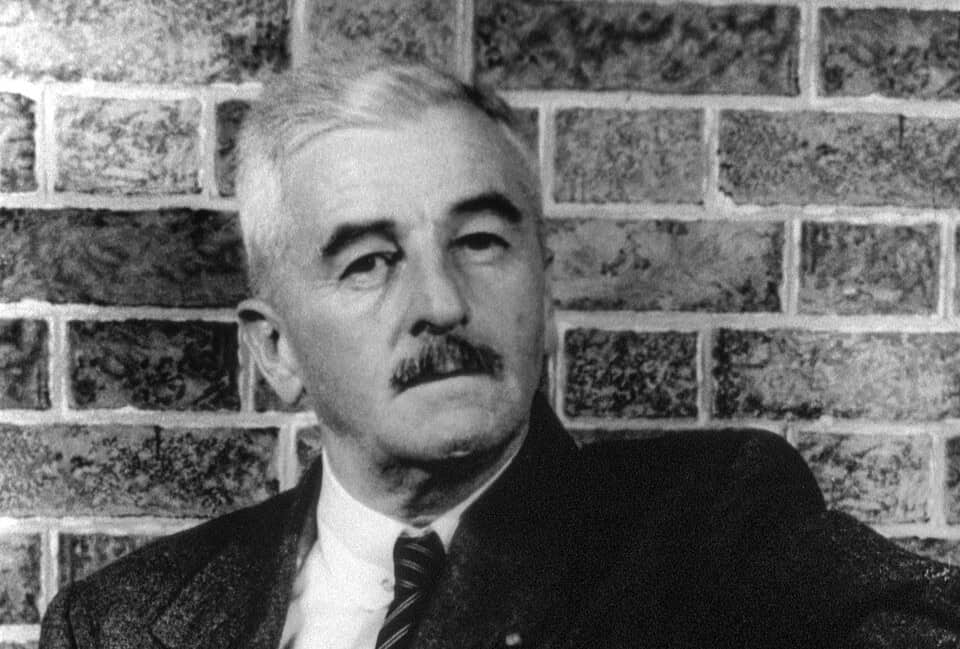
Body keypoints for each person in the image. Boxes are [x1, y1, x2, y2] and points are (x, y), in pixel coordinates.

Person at [40, 60, 960, 649]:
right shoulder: (119, 623)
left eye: (480, 242)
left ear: (543, 287)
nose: (442, 302)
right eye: (369, 261)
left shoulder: (711, 532)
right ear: (276, 349)